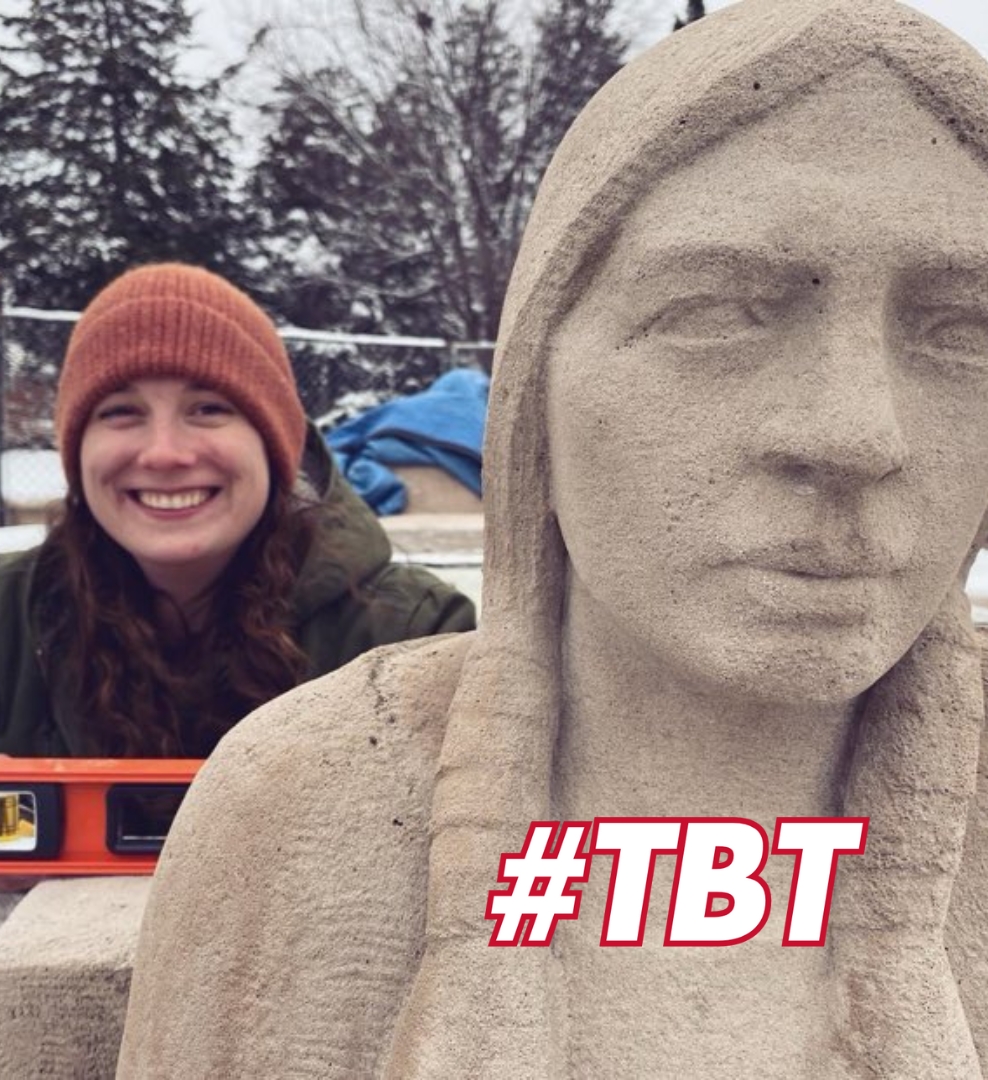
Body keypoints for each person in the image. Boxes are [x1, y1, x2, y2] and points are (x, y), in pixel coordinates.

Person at [119, 2, 988, 1077]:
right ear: (537, 390)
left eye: (962, 332)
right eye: (718, 311)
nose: (858, 433)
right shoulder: (305, 809)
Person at [0, 263, 475, 891]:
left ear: (274, 444)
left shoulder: (413, 631)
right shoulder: (5, 610)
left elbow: (515, 830)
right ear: (76, 450)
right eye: (122, 412)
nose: (165, 453)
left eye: (208, 408)